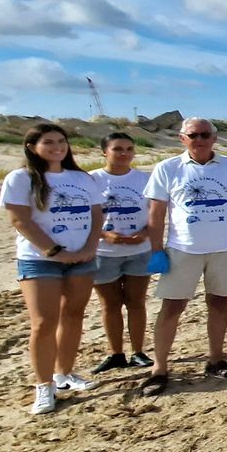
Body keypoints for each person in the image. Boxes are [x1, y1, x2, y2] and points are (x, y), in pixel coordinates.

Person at [142, 118, 227, 396]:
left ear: (214, 138)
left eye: (206, 134)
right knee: (172, 307)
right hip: (183, 249)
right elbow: (156, 213)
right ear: (183, 139)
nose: (200, 139)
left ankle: (215, 359)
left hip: (224, 248)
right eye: (194, 135)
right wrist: (156, 249)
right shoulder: (168, 168)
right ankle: (159, 368)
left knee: (219, 303)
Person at [3, 123, 104, 414]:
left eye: (61, 141)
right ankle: (44, 386)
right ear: (32, 146)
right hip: (39, 259)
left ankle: (64, 374)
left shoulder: (82, 178)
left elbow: (96, 216)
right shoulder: (21, 178)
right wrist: (54, 251)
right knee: (43, 323)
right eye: (49, 142)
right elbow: (20, 220)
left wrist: (88, 248)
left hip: (82, 258)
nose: (57, 147)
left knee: (73, 316)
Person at [90, 132, 153, 374]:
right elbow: (84, 217)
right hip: (104, 251)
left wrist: (145, 234)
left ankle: (138, 352)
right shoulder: (92, 179)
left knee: (136, 302)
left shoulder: (144, 179)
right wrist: (105, 235)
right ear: (105, 152)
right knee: (110, 304)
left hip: (139, 250)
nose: (124, 153)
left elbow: (156, 212)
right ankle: (115, 353)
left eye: (129, 148)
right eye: (118, 149)